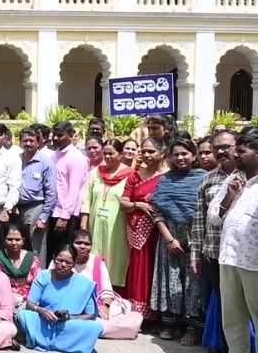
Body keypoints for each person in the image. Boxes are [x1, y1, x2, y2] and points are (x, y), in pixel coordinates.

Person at [207, 128, 258, 353]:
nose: (235, 154)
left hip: (255, 264)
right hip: (229, 258)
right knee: (233, 318)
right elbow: (214, 217)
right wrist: (231, 197)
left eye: (242, 151)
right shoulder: (234, 180)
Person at [150, 137, 206, 343]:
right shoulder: (165, 180)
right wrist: (169, 239)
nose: (181, 158)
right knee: (171, 279)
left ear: (194, 155)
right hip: (169, 236)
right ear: (171, 157)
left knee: (194, 281)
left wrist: (196, 239)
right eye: (176, 154)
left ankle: (192, 327)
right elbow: (156, 212)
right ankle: (169, 323)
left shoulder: (203, 178)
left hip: (196, 236)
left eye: (185, 153)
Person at [190, 130, 238, 353]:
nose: (220, 152)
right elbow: (199, 221)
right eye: (216, 147)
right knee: (219, 306)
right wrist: (195, 255)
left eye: (225, 146)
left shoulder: (248, 177)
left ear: (237, 146)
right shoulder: (208, 179)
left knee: (240, 309)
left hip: (241, 256)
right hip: (212, 253)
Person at [16, 246, 104, 353]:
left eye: (68, 262)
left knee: (95, 327)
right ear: (53, 259)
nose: (63, 265)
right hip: (45, 321)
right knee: (24, 315)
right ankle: (65, 344)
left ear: (75, 262)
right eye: (59, 260)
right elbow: (30, 304)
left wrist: (69, 317)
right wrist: (42, 311)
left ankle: (43, 340)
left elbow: (90, 315)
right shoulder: (44, 276)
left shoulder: (85, 283)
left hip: (69, 324)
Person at [119, 137, 169, 318]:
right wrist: (138, 205)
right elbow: (124, 201)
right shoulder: (135, 175)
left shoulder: (168, 177)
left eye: (151, 151)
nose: (146, 155)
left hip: (160, 231)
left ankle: (156, 313)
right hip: (136, 230)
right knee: (138, 268)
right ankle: (138, 312)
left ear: (162, 153)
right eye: (144, 151)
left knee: (157, 270)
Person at [62, 230, 142, 340]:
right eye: (78, 243)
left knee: (121, 309)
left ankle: (91, 327)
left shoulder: (97, 261)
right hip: (69, 305)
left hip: (95, 307)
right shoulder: (62, 259)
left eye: (87, 244)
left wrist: (105, 306)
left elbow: (106, 289)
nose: (82, 246)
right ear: (71, 244)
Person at [79, 139, 132, 288]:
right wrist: (83, 226)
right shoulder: (96, 173)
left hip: (117, 226)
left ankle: (113, 291)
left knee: (115, 256)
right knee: (94, 256)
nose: (107, 157)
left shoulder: (130, 175)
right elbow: (86, 199)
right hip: (94, 225)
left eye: (111, 153)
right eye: (105, 153)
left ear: (120, 154)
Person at [47, 121, 89, 265]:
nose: (56, 138)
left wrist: (64, 217)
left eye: (60, 135)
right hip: (53, 212)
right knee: (53, 254)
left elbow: (74, 190)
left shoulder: (76, 158)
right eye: (54, 135)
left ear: (71, 136)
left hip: (66, 216)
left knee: (65, 255)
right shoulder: (55, 155)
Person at [16, 127, 56, 257]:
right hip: (16, 210)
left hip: (36, 208)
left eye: (31, 140)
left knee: (37, 248)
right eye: (25, 140)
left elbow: (51, 192)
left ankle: (38, 276)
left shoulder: (45, 163)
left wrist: (43, 218)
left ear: (38, 142)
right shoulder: (16, 160)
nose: (28, 143)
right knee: (17, 246)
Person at [0, 225, 42, 309]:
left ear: (23, 241)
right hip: (3, 299)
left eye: (18, 240)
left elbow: (38, 284)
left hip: (29, 301)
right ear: (4, 240)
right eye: (10, 239)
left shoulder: (32, 259)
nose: (14, 243)